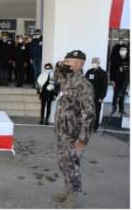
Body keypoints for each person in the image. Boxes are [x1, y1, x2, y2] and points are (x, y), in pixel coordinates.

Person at [54, 51, 96, 205]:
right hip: (62, 131)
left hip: (74, 134)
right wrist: (59, 66)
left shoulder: (84, 85)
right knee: (63, 163)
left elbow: (89, 114)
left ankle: (73, 199)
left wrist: (83, 139)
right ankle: (67, 191)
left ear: (78, 64)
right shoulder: (67, 80)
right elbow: (56, 77)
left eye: (68, 61)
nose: (65, 63)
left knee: (72, 165)